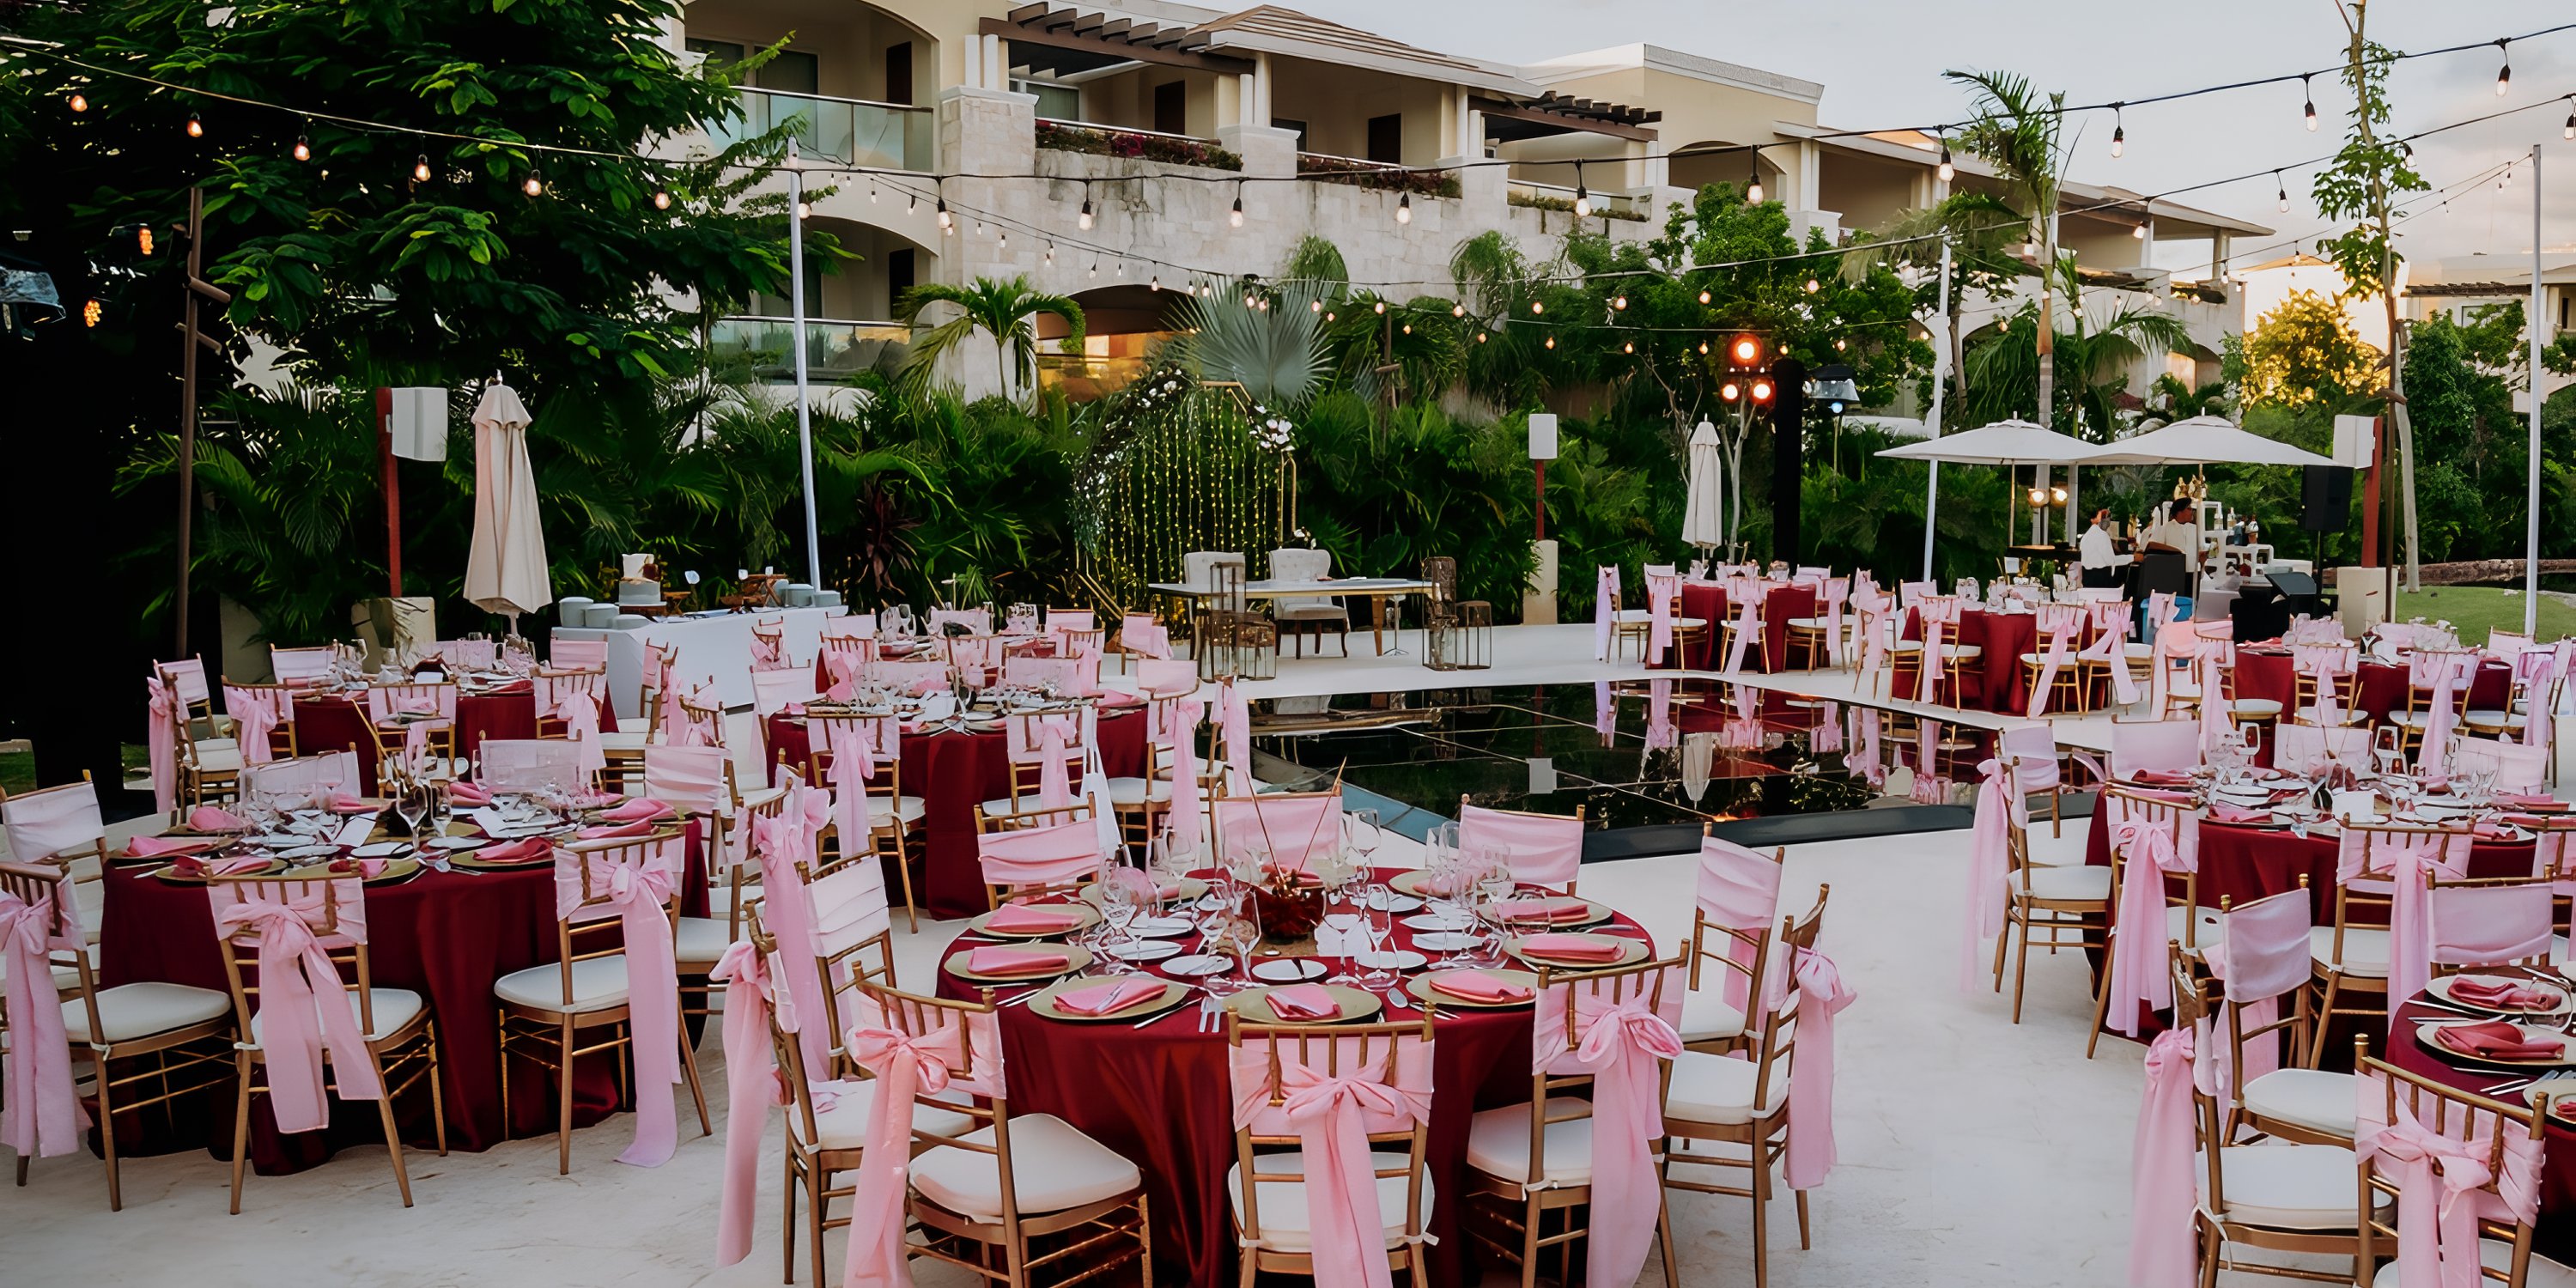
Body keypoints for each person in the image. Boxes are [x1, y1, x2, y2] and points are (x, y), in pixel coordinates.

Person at [2078, 508, 2133, 590]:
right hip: (2101, 579)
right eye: (2105, 517)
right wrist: (2132, 558)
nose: (2108, 520)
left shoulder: (2085, 537)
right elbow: (2111, 561)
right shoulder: (2102, 535)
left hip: (2087, 578)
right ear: (2094, 519)